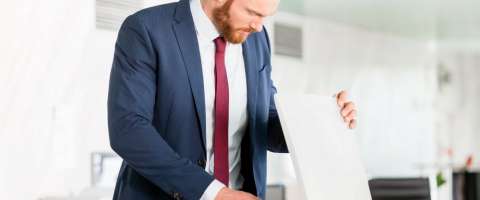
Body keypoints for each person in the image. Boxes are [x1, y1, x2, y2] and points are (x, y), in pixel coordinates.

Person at [107, 0, 357, 199]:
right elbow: (128, 129)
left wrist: (321, 119)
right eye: (252, 13)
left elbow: (265, 121)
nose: (259, 26)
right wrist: (214, 193)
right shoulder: (147, 29)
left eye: (265, 16)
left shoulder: (258, 40)